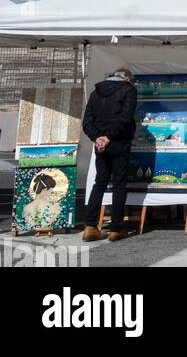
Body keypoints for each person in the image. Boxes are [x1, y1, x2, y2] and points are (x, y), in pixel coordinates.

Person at [81, 67, 138, 242]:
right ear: (127, 78)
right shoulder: (128, 90)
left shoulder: (95, 92)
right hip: (119, 142)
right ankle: (116, 228)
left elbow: (87, 121)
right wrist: (109, 137)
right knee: (119, 185)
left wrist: (97, 138)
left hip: (101, 145)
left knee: (100, 183)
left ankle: (90, 227)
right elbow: (125, 117)